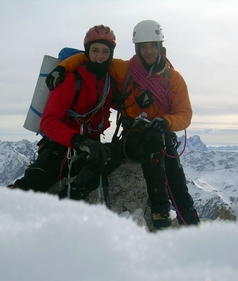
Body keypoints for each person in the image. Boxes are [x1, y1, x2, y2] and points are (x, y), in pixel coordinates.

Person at [46, 20, 200, 229]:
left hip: (161, 138)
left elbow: (185, 115)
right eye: (143, 47)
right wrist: (63, 67)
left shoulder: (174, 79)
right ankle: (161, 209)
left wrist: (166, 121)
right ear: (137, 48)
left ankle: (189, 221)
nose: (148, 51)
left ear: (160, 47)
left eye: (152, 46)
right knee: (153, 143)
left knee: (174, 172)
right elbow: (93, 59)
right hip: (133, 139)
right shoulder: (125, 69)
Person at [10, 25, 122, 201]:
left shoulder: (109, 84)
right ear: (87, 52)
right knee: (31, 186)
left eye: (105, 51)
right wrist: (79, 141)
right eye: (95, 50)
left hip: (89, 147)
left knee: (112, 154)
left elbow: (124, 105)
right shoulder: (71, 79)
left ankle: (71, 196)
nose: (99, 57)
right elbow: (49, 122)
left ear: (111, 54)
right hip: (60, 147)